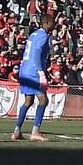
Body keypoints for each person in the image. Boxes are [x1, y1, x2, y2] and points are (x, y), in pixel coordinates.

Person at [10, 14, 53, 142]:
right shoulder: (43, 35)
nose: (53, 25)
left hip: (25, 69)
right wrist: (40, 72)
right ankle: (35, 131)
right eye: (52, 22)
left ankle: (17, 131)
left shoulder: (33, 35)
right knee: (43, 100)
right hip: (33, 71)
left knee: (28, 102)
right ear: (46, 23)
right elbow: (36, 53)